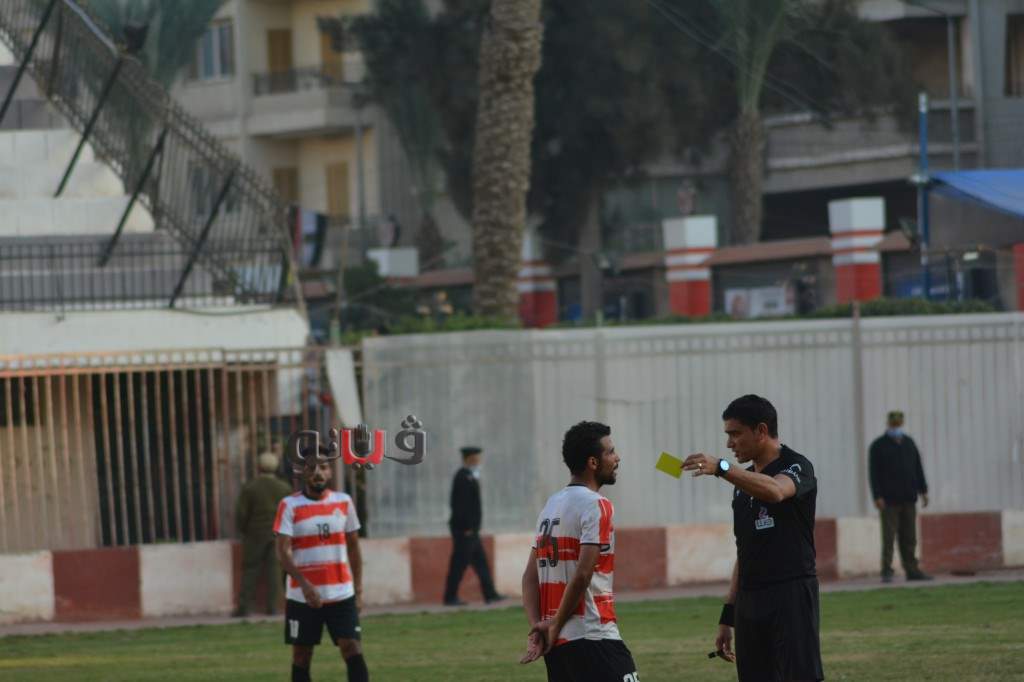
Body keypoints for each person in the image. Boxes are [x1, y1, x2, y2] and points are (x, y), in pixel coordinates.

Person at [683, 395, 823, 682]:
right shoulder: (742, 483)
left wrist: (721, 468)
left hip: (791, 594)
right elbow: (745, 551)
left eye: (735, 434)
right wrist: (728, 615)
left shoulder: (796, 466)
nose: (729, 443)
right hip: (750, 601)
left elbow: (776, 491)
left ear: (761, 430)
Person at [520, 421, 640, 682]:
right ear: (593, 462)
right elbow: (583, 574)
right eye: (611, 451)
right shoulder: (597, 505)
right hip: (594, 637)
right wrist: (555, 623)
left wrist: (539, 626)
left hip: (557, 645)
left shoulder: (550, 506)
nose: (617, 458)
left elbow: (529, 577)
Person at [274, 445, 368, 682]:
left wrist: (358, 590)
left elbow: (354, 548)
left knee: (352, 648)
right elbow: (282, 552)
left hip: (341, 594)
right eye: (312, 468)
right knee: (301, 655)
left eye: (324, 467)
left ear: (330, 472)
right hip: (302, 597)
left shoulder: (344, 502)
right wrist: (305, 585)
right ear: (303, 472)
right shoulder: (289, 505)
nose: (318, 473)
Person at [869, 410, 932, 583]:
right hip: (888, 500)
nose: (896, 426)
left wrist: (923, 490)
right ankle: (886, 570)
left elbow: (918, 468)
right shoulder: (878, 446)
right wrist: (877, 495)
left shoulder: (909, 443)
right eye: (893, 423)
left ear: (902, 423)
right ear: (888, 423)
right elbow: (873, 473)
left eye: (898, 423)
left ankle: (912, 570)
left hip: (909, 497)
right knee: (889, 537)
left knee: (909, 537)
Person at [233, 451, 293, 617]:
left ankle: (244, 607)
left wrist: (244, 529)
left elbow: (241, 514)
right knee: (275, 570)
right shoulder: (284, 487)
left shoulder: (250, 488)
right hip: (278, 534)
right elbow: (290, 512)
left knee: (250, 569)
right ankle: (273, 607)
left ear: (258, 467)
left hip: (255, 533)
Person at [443, 445, 505, 606]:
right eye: (476, 459)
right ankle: (450, 597)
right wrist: (467, 528)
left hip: (472, 530)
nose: (478, 462)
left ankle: (490, 594)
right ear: (469, 459)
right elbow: (460, 506)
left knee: (481, 562)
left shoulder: (470, 476)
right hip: (465, 530)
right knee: (459, 564)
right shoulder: (462, 477)